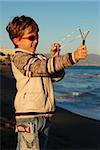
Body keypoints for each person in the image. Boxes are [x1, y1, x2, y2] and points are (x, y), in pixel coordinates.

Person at [6, 15, 87, 150]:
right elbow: (40, 67)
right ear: (17, 40)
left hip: (45, 117)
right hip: (28, 119)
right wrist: (73, 57)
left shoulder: (39, 58)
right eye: (31, 37)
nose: (36, 40)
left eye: (37, 35)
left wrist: (55, 57)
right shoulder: (19, 57)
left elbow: (56, 76)